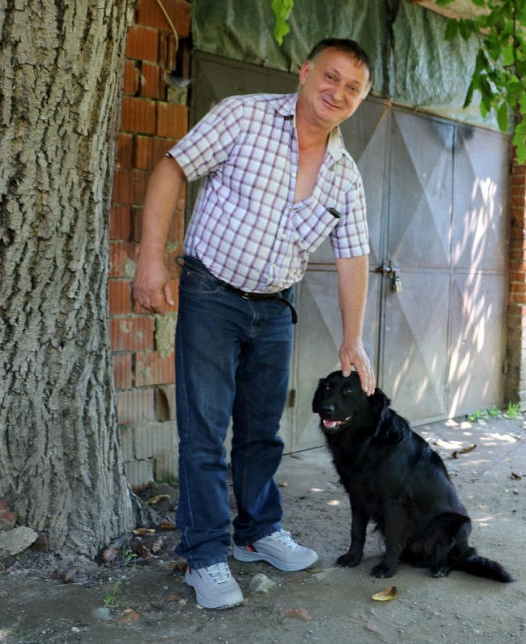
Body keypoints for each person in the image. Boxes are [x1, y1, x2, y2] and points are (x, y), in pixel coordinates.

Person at [133, 38, 376, 610]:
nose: (337, 92)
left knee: (262, 432)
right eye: (331, 76)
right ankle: (206, 554)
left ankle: (256, 533)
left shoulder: (346, 173)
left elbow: (353, 257)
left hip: (275, 308)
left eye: (352, 88)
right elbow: (173, 169)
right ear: (305, 71)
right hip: (210, 294)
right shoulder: (245, 116)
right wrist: (150, 258)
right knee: (204, 433)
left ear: (360, 100)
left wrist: (352, 337)